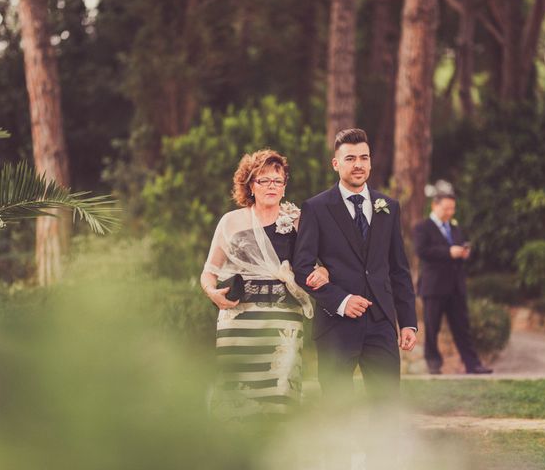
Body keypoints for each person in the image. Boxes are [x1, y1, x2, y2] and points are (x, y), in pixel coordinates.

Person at [200, 149, 329, 420]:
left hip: (284, 320)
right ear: (250, 184)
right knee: (238, 394)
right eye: (264, 180)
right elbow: (208, 272)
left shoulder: (298, 220)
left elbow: (321, 263)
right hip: (238, 320)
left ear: (284, 186)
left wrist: (324, 272)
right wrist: (213, 293)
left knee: (280, 392)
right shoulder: (230, 222)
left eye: (277, 180)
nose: (271, 186)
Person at [293, 128, 417, 399]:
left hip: (381, 322)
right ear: (336, 164)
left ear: (371, 162)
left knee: (386, 403)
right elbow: (302, 268)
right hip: (336, 324)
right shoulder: (315, 208)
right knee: (338, 406)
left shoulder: (389, 206)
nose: (358, 164)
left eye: (364, 157)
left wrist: (408, 321)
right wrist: (341, 300)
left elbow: (398, 269)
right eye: (350, 158)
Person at [413, 193, 492, 374]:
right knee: (432, 328)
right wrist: (449, 252)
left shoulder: (454, 227)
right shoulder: (423, 227)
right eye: (446, 208)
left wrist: (463, 253)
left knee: (462, 327)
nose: (450, 212)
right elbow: (422, 251)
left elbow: (458, 249)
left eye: (452, 208)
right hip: (433, 287)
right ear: (435, 206)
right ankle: (434, 365)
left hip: (456, 287)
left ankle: (473, 364)